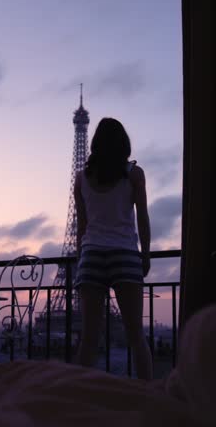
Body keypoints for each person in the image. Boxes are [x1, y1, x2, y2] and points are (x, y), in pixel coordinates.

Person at [73, 117, 153, 380]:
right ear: (123, 144)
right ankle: (149, 396)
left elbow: (82, 227)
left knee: (88, 340)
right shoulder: (134, 174)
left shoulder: (81, 178)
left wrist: (79, 258)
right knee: (135, 337)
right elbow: (142, 218)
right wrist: (146, 254)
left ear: (95, 143)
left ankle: (77, 398)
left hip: (91, 256)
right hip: (125, 254)